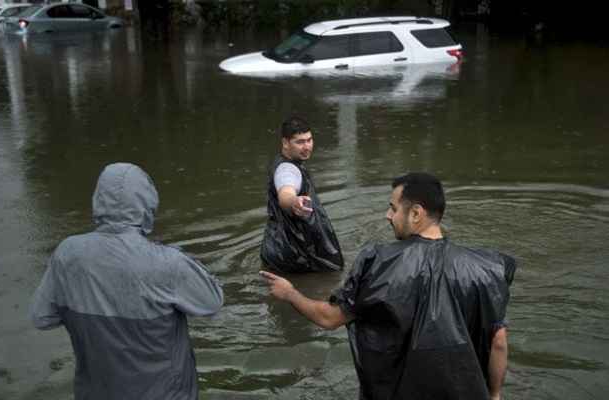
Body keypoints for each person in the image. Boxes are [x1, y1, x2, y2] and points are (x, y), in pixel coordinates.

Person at [261, 172, 516, 400]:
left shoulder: (378, 262)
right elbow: (499, 342)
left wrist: (290, 293)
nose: (388, 216)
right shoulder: (485, 269)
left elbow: (329, 318)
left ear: (416, 213)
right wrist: (494, 395)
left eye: (393, 208)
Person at [30, 163, 224, 400]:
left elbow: (42, 318)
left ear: (98, 200)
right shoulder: (166, 262)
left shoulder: (67, 253)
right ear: (147, 205)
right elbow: (212, 301)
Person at [260, 116, 344, 273]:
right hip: (295, 257)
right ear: (285, 143)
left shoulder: (282, 162)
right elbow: (285, 192)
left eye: (309, 140)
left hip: (276, 248)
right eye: (300, 142)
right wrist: (294, 201)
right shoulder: (287, 169)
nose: (307, 147)